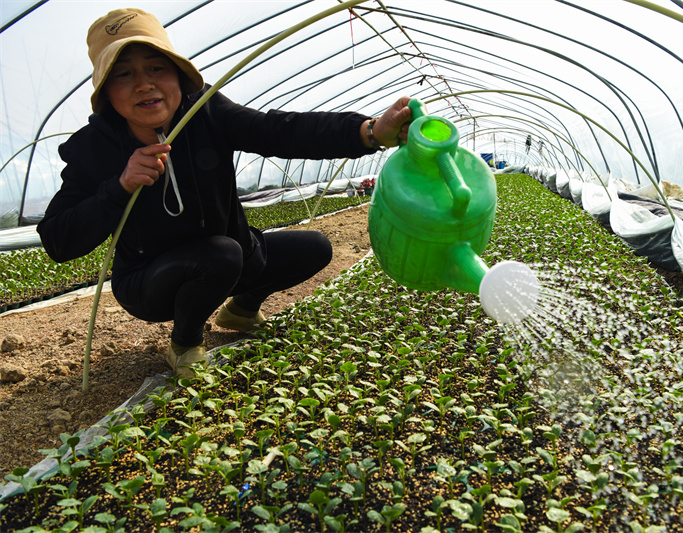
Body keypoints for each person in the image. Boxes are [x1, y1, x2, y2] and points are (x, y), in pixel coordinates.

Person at [37, 8, 412, 379]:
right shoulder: (93, 148)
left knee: (314, 247)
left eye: (156, 68)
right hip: (149, 281)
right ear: (106, 92)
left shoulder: (204, 110)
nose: (144, 84)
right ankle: (184, 343)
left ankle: (242, 310)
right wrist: (119, 187)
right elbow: (57, 239)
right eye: (123, 74)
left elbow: (276, 130)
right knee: (220, 254)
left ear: (178, 75)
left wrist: (367, 132)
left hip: (233, 257)